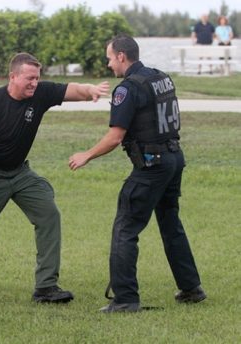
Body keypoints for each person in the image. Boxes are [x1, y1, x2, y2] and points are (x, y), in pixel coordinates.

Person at [0, 52, 110, 303]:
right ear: (13, 76)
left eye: (37, 78)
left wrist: (90, 89)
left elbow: (71, 90)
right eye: (29, 78)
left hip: (21, 173)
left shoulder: (39, 94)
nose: (34, 83)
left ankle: (46, 288)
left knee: (49, 215)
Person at [69, 34, 206, 313]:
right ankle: (191, 288)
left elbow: (115, 137)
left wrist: (86, 155)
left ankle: (125, 299)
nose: (108, 64)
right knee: (170, 223)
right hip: (173, 158)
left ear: (121, 56)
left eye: (109, 58)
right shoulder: (161, 77)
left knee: (125, 228)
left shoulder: (127, 89)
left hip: (152, 165)